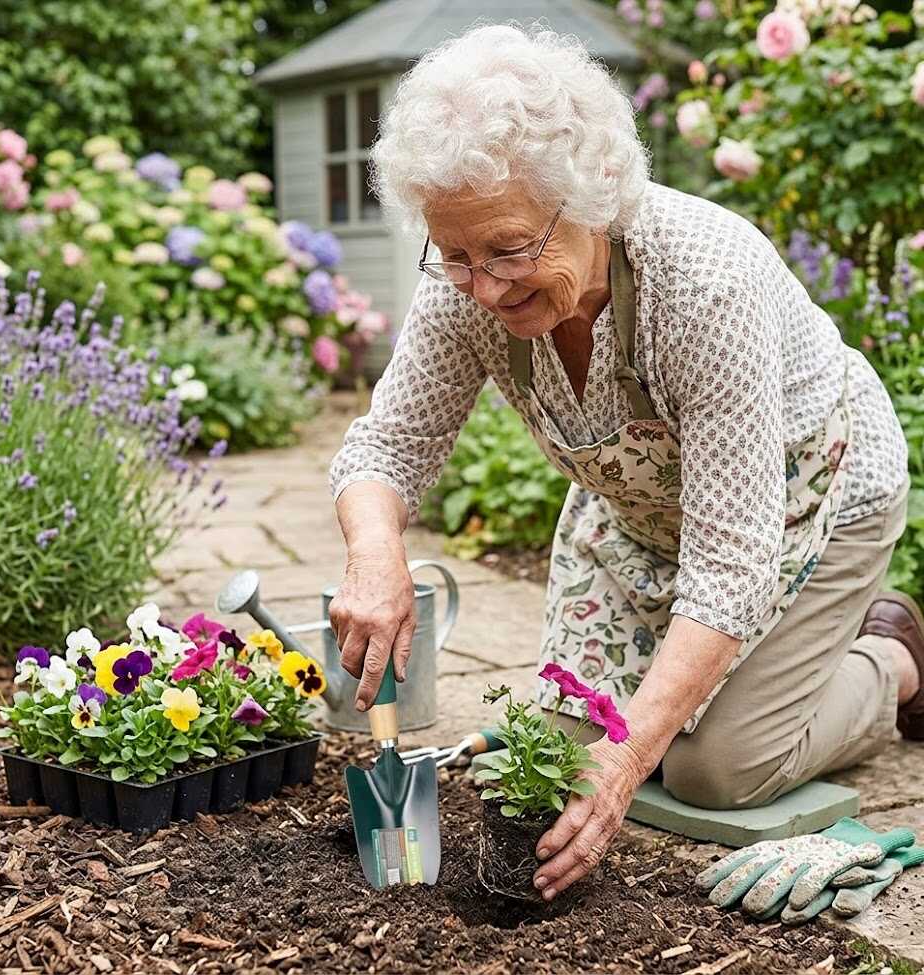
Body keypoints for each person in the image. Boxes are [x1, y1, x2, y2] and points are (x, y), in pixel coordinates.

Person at [326, 23, 919, 901]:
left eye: (510, 249)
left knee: (716, 767)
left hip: (812, 499)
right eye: (456, 255)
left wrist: (632, 758)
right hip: (641, 519)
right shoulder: (468, 283)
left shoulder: (703, 282)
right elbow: (388, 444)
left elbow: (730, 564)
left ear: (594, 195)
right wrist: (375, 553)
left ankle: (893, 657)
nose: (484, 285)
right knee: (564, 752)